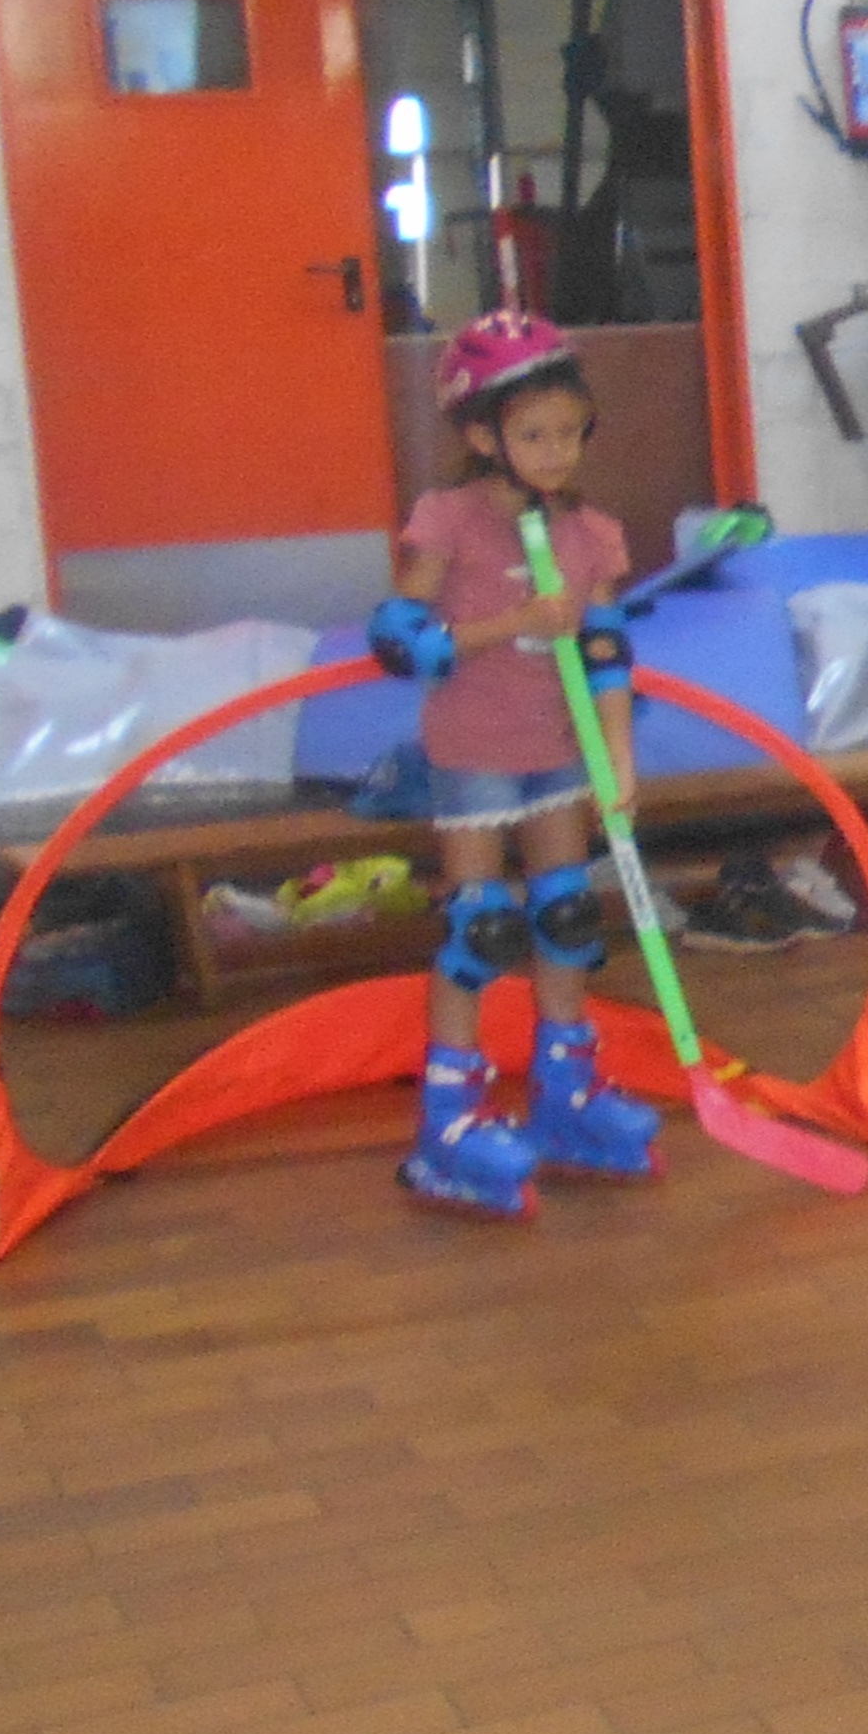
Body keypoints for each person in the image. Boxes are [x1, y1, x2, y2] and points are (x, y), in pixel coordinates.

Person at [369, 313, 657, 1219]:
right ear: (483, 435)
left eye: (570, 432)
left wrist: (618, 754)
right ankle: (449, 1120)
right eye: (534, 434)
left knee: (567, 917)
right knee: (482, 928)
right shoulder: (449, 520)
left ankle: (565, 1091)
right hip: (476, 752)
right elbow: (398, 637)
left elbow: (606, 649)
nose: (556, 451)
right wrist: (511, 625)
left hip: (559, 748)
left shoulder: (590, 533)